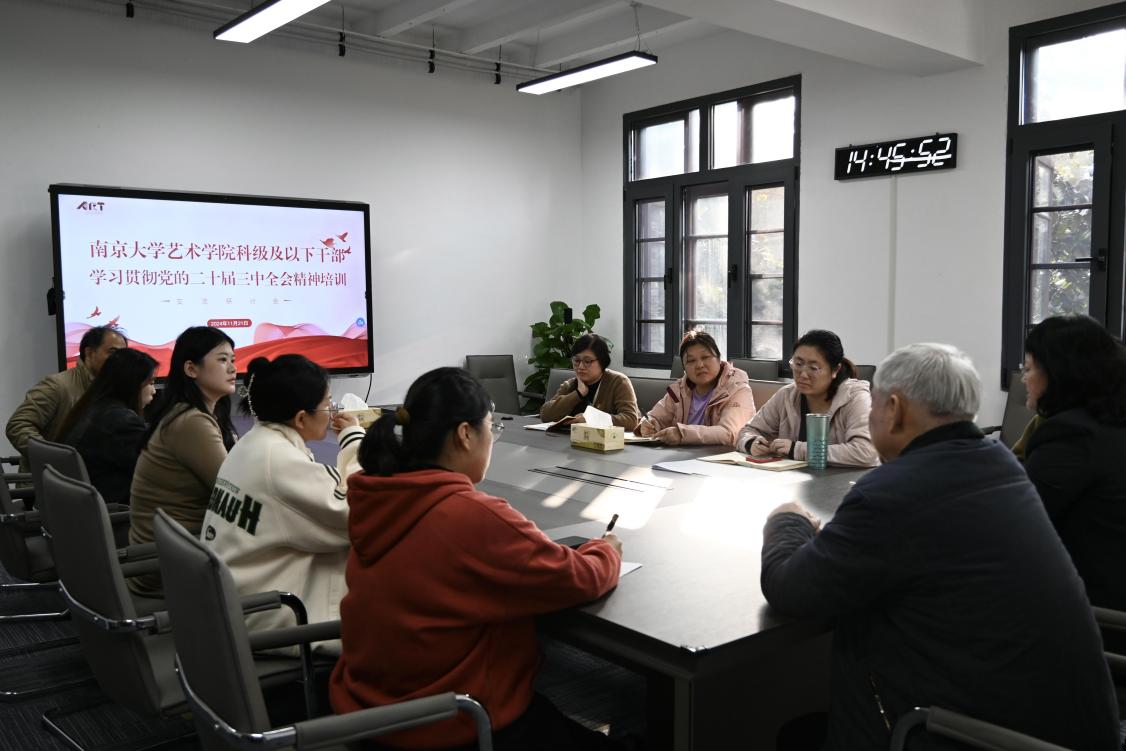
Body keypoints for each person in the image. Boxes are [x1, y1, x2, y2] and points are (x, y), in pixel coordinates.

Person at [760, 343, 1118, 750]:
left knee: (796, 734)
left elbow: (790, 588)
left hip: (965, 732)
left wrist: (786, 520)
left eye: (874, 405)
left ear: (894, 409)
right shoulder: (999, 464)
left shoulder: (895, 493)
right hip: (1053, 727)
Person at [330, 367, 625, 751]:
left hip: (370, 713)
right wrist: (605, 549)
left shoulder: (379, 496)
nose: (492, 438)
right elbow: (580, 578)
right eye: (491, 427)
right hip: (452, 724)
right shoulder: (469, 514)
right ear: (465, 434)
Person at [201, 354, 365, 653]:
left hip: (239, 599)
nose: (332, 410)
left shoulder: (255, 442)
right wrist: (354, 439)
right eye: (328, 402)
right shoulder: (277, 460)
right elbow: (358, 510)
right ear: (301, 418)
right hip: (272, 612)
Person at [1021, 314, 1126, 612]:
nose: (1024, 378)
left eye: (1028, 368)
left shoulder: (1073, 435)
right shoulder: (1111, 423)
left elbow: (1017, 518)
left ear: (1058, 373)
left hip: (1093, 611)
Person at [128, 326, 237, 597]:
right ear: (191, 369)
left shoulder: (185, 413)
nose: (233, 368)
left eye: (233, 359)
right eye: (222, 360)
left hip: (171, 551)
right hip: (172, 563)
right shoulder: (191, 422)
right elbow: (235, 493)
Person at [736, 329, 878, 467]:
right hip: (793, 479)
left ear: (835, 370)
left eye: (813, 368)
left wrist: (797, 449)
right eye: (798, 364)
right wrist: (751, 442)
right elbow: (747, 431)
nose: (803, 374)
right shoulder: (787, 395)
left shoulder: (855, 397)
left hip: (842, 480)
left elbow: (866, 452)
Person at [6, 325, 127, 472]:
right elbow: (18, 426)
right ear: (89, 353)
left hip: (91, 478)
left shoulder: (115, 391)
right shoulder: (57, 385)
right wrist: (55, 459)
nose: (120, 360)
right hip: (50, 480)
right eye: (112, 352)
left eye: (123, 354)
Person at [58, 348, 157, 506]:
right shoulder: (122, 422)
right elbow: (154, 471)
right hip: (118, 510)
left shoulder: (91, 408)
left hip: (86, 508)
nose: (154, 391)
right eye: (150, 383)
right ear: (132, 384)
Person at [635, 330, 756, 446]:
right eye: (691, 360)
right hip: (681, 457)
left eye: (705, 357)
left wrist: (682, 434)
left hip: (720, 457)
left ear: (719, 359)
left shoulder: (737, 389)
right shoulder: (679, 390)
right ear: (684, 368)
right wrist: (648, 424)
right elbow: (654, 417)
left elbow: (729, 433)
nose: (699, 365)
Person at [539, 334, 641, 430]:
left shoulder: (618, 382)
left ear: (602, 361)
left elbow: (631, 420)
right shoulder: (570, 385)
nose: (580, 367)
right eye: (576, 361)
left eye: (587, 361)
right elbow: (545, 415)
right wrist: (578, 394)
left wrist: (592, 418)